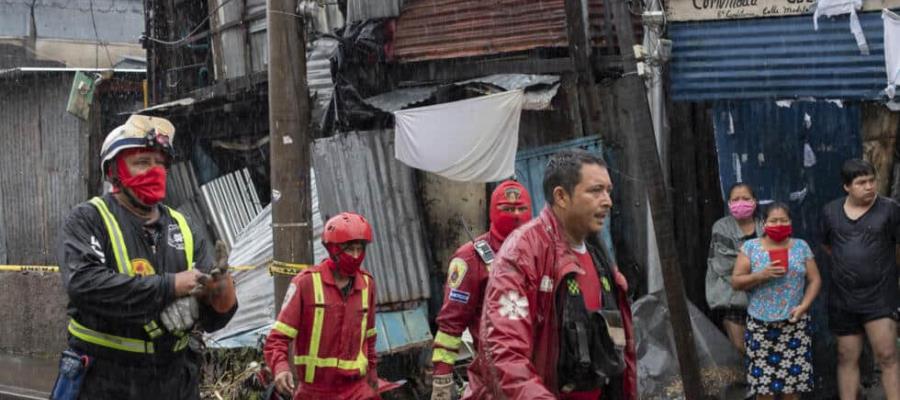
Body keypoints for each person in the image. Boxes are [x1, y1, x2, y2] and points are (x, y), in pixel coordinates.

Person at [55, 115, 237, 399]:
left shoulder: (184, 225)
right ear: (114, 171)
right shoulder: (88, 219)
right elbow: (85, 285)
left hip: (175, 381)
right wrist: (171, 286)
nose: (155, 170)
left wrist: (221, 296)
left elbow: (211, 318)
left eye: (160, 163)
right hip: (106, 381)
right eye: (142, 162)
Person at [464, 149, 636, 400]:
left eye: (608, 190)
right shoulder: (522, 255)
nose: (607, 200)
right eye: (595, 190)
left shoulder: (600, 257)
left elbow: (619, 353)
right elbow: (503, 354)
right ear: (561, 197)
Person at [430, 180, 533, 400]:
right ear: (492, 212)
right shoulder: (471, 259)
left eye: (521, 209)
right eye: (507, 209)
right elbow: (450, 324)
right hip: (495, 378)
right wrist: (442, 379)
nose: (515, 215)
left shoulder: (540, 251)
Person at [264, 212, 379, 399]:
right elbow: (277, 338)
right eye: (350, 249)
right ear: (333, 248)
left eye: (360, 249)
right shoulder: (306, 284)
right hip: (315, 392)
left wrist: (372, 375)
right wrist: (280, 367)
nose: (356, 255)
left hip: (357, 390)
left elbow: (370, 336)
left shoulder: (367, 284)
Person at [820, 159, 900, 400]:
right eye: (861, 182)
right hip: (844, 298)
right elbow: (827, 246)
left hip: (880, 296)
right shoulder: (830, 212)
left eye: (871, 181)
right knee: (846, 356)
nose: (868, 186)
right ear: (847, 187)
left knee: (887, 355)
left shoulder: (889, 209)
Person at [732, 202, 822, 399]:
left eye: (784, 220)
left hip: (794, 324)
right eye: (774, 220)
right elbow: (736, 281)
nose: (779, 224)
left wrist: (804, 306)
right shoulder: (751, 247)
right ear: (764, 223)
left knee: (792, 389)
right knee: (764, 391)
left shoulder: (801, 246)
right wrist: (761, 275)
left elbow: (815, 279)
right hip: (760, 327)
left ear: (791, 222)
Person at [706, 183, 763, 354]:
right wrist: (761, 269)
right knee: (740, 348)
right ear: (729, 203)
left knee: (761, 349)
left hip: (764, 300)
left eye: (746, 199)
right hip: (732, 297)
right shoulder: (721, 227)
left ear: (755, 201)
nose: (741, 203)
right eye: (735, 199)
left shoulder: (766, 225)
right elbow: (724, 266)